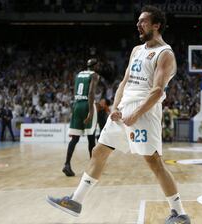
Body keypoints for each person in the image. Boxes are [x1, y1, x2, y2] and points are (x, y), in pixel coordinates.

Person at [46, 5, 190, 224]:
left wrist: (136, 114)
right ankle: (76, 201)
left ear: (156, 25)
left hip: (144, 111)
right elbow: (124, 81)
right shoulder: (136, 50)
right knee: (99, 151)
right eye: (138, 21)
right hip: (123, 110)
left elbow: (157, 91)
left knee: (154, 163)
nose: (138, 24)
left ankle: (179, 212)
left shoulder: (165, 54)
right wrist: (115, 107)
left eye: (143, 21)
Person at [62, 59, 100, 177]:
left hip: (77, 105)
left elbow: (75, 92)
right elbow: (91, 93)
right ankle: (92, 167)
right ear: (95, 66)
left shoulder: (78, 75)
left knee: (74, 138)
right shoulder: (94, 75)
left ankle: (67, 164)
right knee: (91, 137)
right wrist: (91, 110)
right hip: (87, 105)